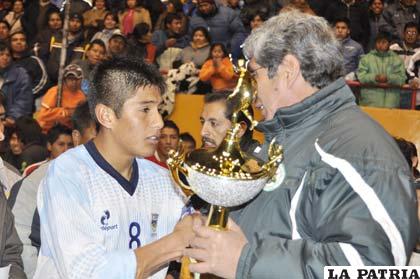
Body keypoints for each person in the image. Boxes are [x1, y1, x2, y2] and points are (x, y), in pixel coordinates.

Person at [184, 11, 418, 278]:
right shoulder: (290, 139)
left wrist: (245, 260)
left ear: (287, 71)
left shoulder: (355, 150)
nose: (246, 90)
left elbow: (372, 269)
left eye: (254, 75)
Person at [33, 56, 197, 278]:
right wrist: (175, 242)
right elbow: (88, 272)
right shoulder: (67, 173)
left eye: (158, 109)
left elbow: (197, 227)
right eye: (145, 109)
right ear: (106, 116)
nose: (159, 122)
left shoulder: (164, 178)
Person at [8, 102, 97, 278]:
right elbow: (20, 244)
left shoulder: (133, 179)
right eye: (97, 142)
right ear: (77, 138)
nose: (107, 151)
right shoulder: (39, 181)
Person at [357, 32, 406, 108]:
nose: (380, 45)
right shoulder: (366, 59)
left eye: (384, 42)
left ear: (389, 44)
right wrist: (375, 78)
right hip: (369, 104)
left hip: (391, 105)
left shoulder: (397, 59)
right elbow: (361, 76)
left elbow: (402, 79)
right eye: (378, 42)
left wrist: (388, 78)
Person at [36, 64, 86, 132]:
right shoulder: (55, 92)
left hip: (69, 130)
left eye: (77, 79)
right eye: (70, 79)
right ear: (64, 80)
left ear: (81, 80)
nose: (74, 82)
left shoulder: (81, 96)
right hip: (47, 129)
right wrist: (65, 112)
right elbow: (43, 115)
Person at [0, 43, 33, 126]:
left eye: (8, 55)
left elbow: (24, 101)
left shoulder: (21, 74)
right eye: (1, 54)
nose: (5, 58)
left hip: (12, 121)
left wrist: (12, 117)